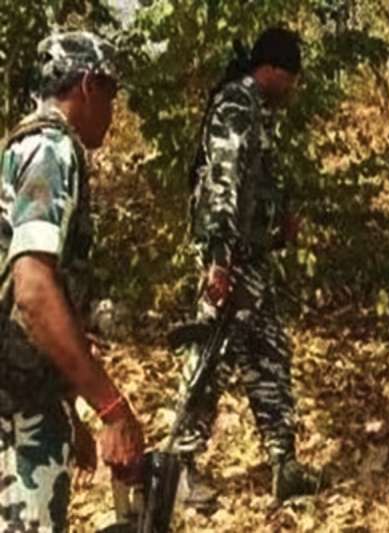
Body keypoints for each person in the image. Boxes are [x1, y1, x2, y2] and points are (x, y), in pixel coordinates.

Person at [0, 31, 145, 531]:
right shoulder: (52, 150)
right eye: (111, 93)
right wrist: (111, 407)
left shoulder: (21, 146)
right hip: (16, 411)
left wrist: (67, 410)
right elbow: (33, 290)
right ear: (88, 85)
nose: (113, 110)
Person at [175, 26, 320, 506]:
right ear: (274, 70)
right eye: (292, 78)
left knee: (269, 352)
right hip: (230, 259)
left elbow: (258, 181)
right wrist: (219, 259)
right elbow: (224, 180)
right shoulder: (237, 104)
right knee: (210, 359)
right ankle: (178, 467)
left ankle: (284, 462)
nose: (294, 89)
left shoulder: (258, 110)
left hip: (252, 257)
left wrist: (281, 220)